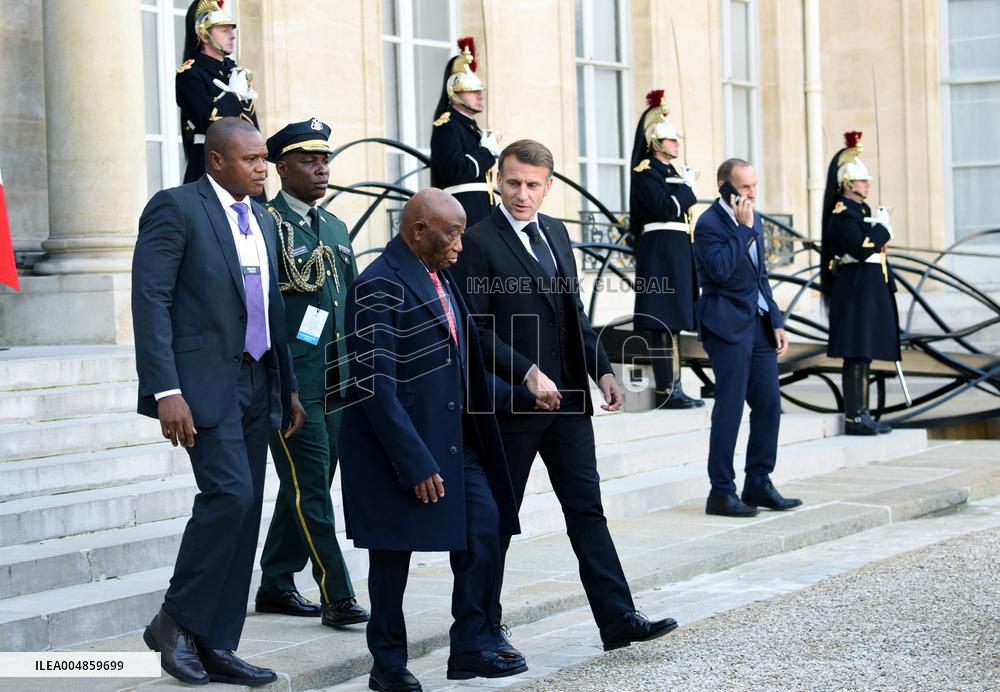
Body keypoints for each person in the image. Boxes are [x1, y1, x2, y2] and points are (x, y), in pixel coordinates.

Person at [451, 139, 678, 654]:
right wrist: (526, 371)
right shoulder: (478, 240)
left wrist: (603, 371)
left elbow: (573, 313)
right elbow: (476, 329)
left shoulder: (555, 233)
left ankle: (618, 619)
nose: (522, 194)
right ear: (497, 180)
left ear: (548, 187)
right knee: (496, 521)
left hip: (572, 400)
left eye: (533, 185)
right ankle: (484, 630)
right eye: (512, 183)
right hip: (512, 405)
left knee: (587, 511)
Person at [132, 117, 306, 686]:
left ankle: (217, 642)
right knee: (228, 496)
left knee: (248, 506)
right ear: (216, 161)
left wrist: (287, 386)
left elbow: (271, 307)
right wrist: (166, 390)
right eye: (252, 159)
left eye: (264, 159)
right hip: (201, 385)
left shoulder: (262, 217)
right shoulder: (175, 208)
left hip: (259, 382)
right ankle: (174, 621)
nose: (263, 167)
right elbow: (151, 301)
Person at [339, 189, 533, 691]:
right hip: (396, 450)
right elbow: (374, 388)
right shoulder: (375, 285)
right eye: (452, 233)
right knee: (391, 558)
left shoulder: (441, 277)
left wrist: (523, 394)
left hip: (453, 444)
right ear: (418, 229)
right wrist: (414, 462)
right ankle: (388, 666)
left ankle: (470, 645)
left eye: (463, 233)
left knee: (486, 527)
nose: (460, 245)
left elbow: (462, 370)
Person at [252, 119, 369, 628]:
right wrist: (284, 385)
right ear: (280, 167)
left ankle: (277, 582)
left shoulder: (336, 228)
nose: (321, 168)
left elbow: (354, 305)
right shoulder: (264, 223)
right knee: (313, 490)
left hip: (338, 380)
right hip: (294, 384)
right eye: (307, 160)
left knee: (307, 482)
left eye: (325, 160)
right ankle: (337, 594)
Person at [692, 158, 802, 518]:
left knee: (769, 402)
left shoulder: (752, 217)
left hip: (758, 325)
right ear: (724, 186)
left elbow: (761, 275)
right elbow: (720, 271)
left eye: (754, 186)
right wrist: (743, 229)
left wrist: (777, 320)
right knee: (730, 407)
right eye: (744, 187)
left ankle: (758, 481)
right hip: (725, 325)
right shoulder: (709, 223)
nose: (752, 193)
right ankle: (720, 491)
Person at [820, 132, 899, 436]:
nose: (867, 185)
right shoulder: (843, 212)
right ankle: (854, 416)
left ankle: (862, 412)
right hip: (854, 290)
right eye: (863, 181)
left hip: (867, 289)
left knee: (864, 353)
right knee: (856, 352)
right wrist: (883, 230)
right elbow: (862, 247)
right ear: (847, 184)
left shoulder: (861, 211)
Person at [629, 89, 703, 409]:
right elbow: (665, 209)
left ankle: (677, 386)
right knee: (661, 322)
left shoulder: (670, 173)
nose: (676, 144)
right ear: (657, 143)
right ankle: (665, 390)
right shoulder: (646, 172)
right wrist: (687, 191)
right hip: (659, 254)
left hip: (676, 252)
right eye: (671, 141)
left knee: (673, 324)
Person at [176, 0, 259, 185]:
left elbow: (251, 125)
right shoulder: (190, 74)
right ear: (204, 34)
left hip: (245, 165)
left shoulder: (235, 72)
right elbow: (209, 122)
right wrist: (233, 95)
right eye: (224, 30)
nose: (232, 36)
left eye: (232, 30)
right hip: (209, 164)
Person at [430, 37, 500, 226]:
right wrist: (487, 152)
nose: (480, 96)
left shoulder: (470, 127)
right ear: (454, 93)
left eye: (480, 90)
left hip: (481, 210)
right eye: (471, 91)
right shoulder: (447, 125)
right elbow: (457, 172)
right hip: (463, 212)